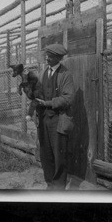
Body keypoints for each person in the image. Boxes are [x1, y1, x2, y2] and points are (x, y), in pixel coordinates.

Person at [35, 43, 74, 190]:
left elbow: (68, 98)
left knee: (59, 156)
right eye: (46, 55)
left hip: (58, 119)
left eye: (50, 56)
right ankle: (49, 184)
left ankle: (58, 189)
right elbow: (37, 92)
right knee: (46, 154)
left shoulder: (65, 75)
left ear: (58, 58)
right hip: (44, 119)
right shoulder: (43, 73)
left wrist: (49, 103)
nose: (47, 58)